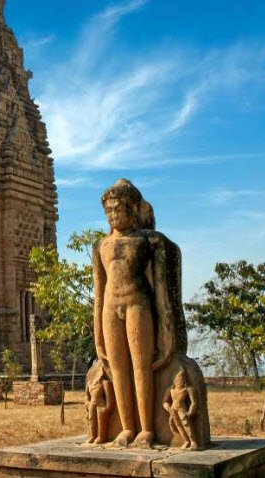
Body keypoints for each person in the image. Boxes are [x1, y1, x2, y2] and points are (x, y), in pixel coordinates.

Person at [93, 179, 177, 448]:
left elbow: (162, 291)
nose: (113, 215)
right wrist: (97, 338)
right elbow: (98, 293)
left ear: (133, 208)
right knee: (118, 369)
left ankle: (147, 429)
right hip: (110, 308)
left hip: (137, 304)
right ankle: (127, 428)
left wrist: (167, 333)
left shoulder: (150, 241)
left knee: (141, 367)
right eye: (109, 210)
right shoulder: (100, 246)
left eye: (118, 209)